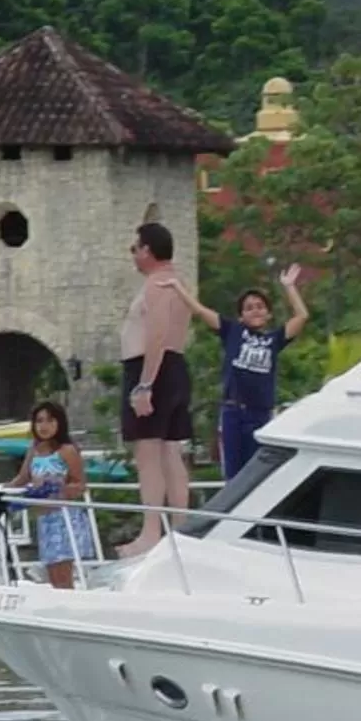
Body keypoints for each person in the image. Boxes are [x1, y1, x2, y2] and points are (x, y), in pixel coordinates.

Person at [177, 264, 310, 477]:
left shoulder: (273, 340)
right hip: (233, 412)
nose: (255, 310)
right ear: (241, 316)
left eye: (260, 306)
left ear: (268, 314)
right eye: (249, 308)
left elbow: (301, 316)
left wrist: (289, 287)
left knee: (255, 474)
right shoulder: (233, 331)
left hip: (260, 413)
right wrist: (177, 287)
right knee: (233, 473)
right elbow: (200, 310)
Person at [119, 220, 194, 555]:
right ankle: (180, 528)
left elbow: (157, 334)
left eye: (135, 249)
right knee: (169, 450)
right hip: (174, 367)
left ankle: (151, 532)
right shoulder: (178, 282)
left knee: (148, 452)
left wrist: (144, 384)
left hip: (152, 370)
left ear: (148, 250)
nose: (133, 256)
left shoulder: (158, 284)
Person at [5, 400, 97, 589]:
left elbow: (80, 483)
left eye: (50, 421)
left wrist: (60, 489)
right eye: (39, 421)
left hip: (63, 518)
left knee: (63, 574)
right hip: (44, 519)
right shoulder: (34, 450)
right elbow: (22, 477)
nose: (44, 426)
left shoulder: (67, 451)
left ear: (59, 423)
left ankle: (69, 606)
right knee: (52, 574)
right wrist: (3, 491)